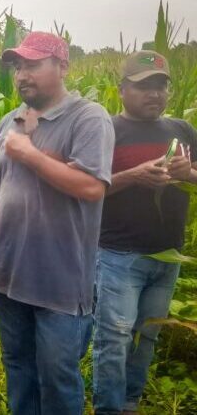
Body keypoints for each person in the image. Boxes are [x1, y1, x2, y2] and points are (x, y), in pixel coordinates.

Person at [0, 32, 115, 415]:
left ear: (63, 67)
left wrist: (30, 154)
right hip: (7, 273)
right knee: (18, 367)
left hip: (59, 281)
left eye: (33, 64)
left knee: (56, 377)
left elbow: (91, 187)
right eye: (18, 66)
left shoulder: (88, 118)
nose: (22, 75)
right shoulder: (9, 121)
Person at [93, 51, 197, 415]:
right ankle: (108, 408)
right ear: (122, 90)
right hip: (119, 255)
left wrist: (189, 174)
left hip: (169, 256)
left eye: (161, 86)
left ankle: (129, 404)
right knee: (115, 339)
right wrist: (133, 176)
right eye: (143, 87)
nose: (154, 94)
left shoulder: (182, 131)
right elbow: (87, 188)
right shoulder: (106, 130)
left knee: (147, 335)